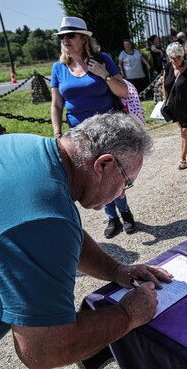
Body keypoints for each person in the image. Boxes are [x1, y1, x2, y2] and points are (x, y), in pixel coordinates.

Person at [0, 113, 173, 369]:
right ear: (104, 164)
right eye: (126, 183)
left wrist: (116, 270)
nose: (121, 194)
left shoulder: (27, 147)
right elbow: (45, 350)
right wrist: (128, 314)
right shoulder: (43, 219)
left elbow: (60, 235)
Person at [50, 16, 137, 240]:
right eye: (62, 36)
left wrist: (103, 74)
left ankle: (125, 213)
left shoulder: (102, 59)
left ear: (83, 38)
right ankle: (112, 217)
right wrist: (57, 134)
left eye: (70, 35)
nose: (65, 40)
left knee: (114, 171)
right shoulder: (58, 68)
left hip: (108, 129)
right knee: (93, 175)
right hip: (78, 132)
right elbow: (56, 104)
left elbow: (124, 92)